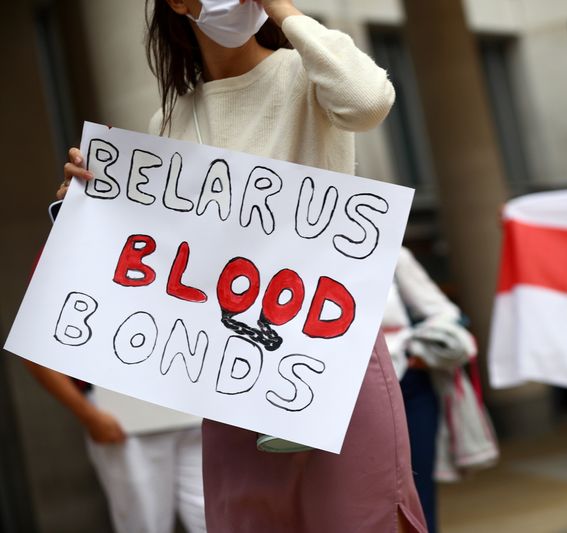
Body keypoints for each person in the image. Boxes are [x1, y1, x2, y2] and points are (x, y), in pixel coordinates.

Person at [60, 1, 427, 531]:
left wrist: (281, 9)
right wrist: (90, 206)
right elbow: (166, 257)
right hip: (229, 371)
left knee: (360, 515)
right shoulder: (169, 121)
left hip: (327, 350)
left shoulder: (308, 74)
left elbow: (368, 100)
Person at [382, 247, 496, 533]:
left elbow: (444, 313)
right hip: (339, 394)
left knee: (416, 490)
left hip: (407, 383)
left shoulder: (392, 252)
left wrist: (416, 352)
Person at [23, 364, 206, 533]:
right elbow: (31, 347)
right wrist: (89, 415)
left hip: (192, 403)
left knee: (213, 516)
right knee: (144, 522)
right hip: (124, 415)